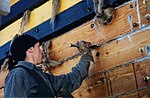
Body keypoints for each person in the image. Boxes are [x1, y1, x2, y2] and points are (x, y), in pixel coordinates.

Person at [4, 34, 94, 97]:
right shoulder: (18, 74)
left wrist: (86, 56)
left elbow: (70, 80)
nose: (41, 50)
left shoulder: (43, 77)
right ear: (30, 49)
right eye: (38, 46)